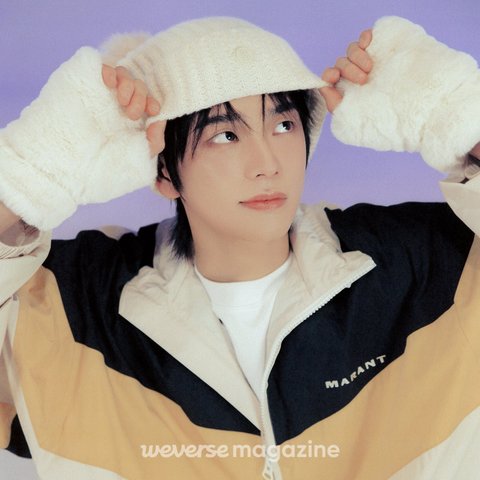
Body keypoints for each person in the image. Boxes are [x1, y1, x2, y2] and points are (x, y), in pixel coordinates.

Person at [1, 14, 479, 480]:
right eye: (225, 135)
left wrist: (459, 111)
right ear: (163, 171)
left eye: (284, 125)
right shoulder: (78, 303)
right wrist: (32, 168)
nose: (267, 162)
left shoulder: (420, 261)